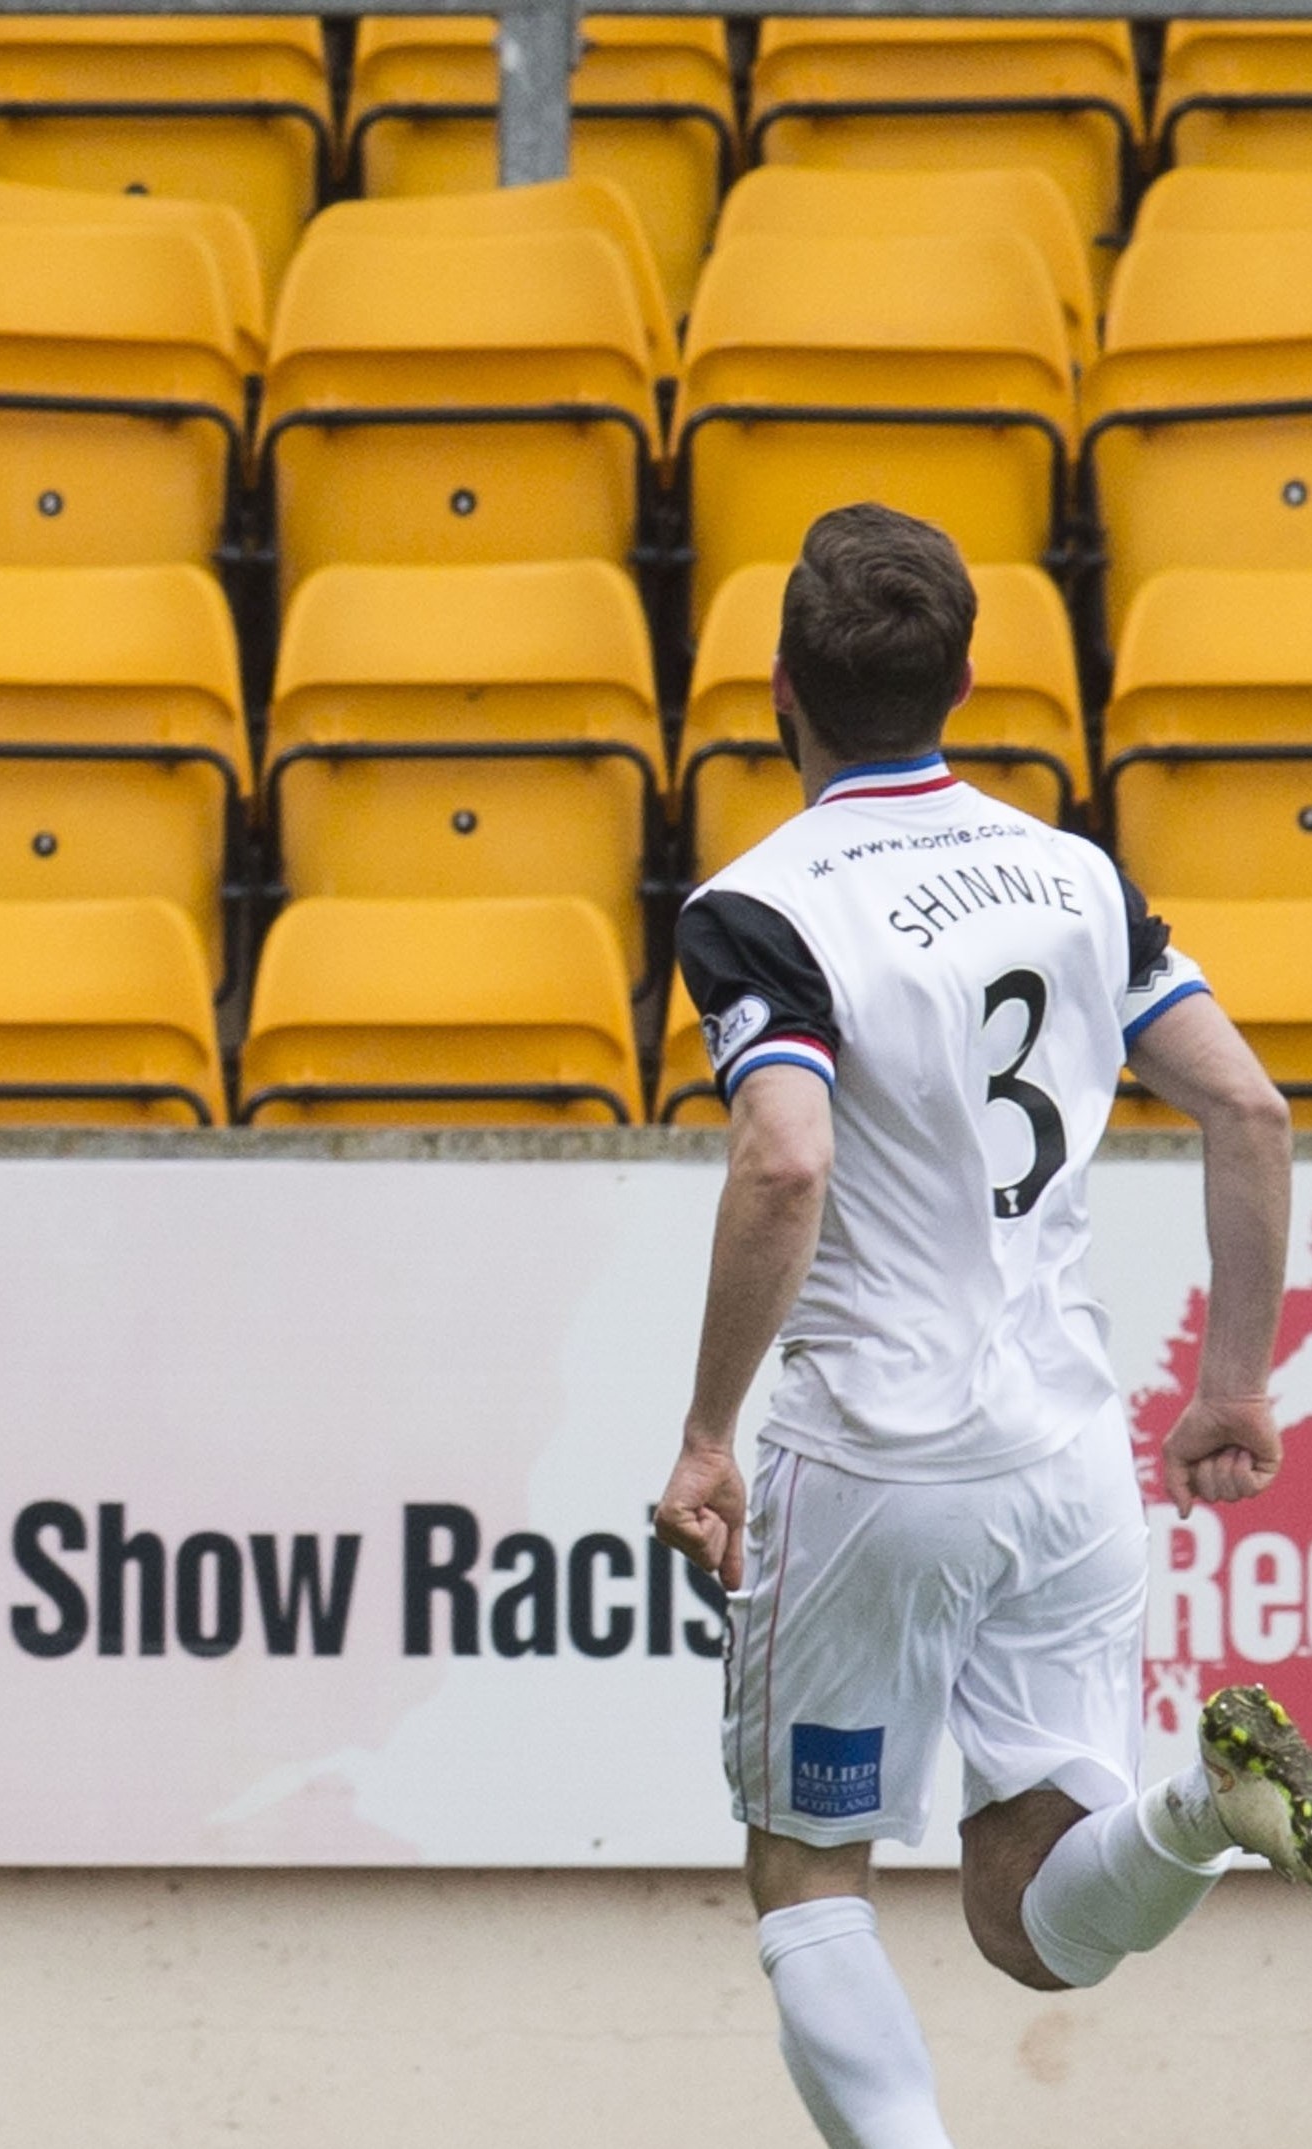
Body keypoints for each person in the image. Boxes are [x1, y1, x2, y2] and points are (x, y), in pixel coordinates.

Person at [653, 502, 1310, 2148]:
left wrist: (708, 1432)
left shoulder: (763, 901)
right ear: (960, 680)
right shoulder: (1070, 868)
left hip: (878, 1445)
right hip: (1063, 1440)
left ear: (777, 691)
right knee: (1028, 1918)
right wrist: (1231, 1387)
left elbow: (786, 1151)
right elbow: (1242, 1109)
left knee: (805, 1868)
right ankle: (1192, 1811)